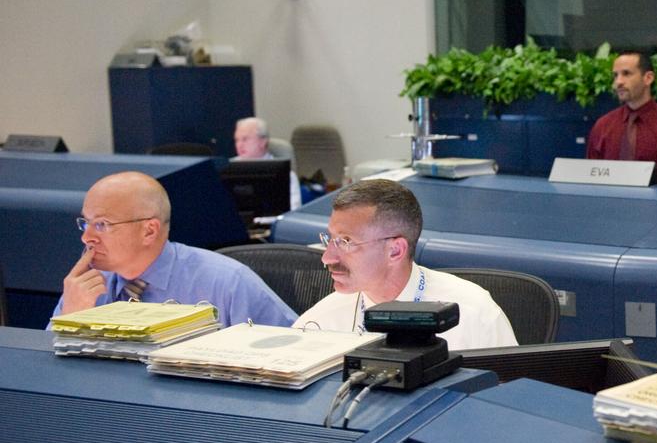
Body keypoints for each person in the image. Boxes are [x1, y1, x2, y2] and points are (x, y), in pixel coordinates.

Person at [294, 179, 518, 350]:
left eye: (345, 242)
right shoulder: (320, 323)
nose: (327, 258)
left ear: (395, 251)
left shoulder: (474, 314)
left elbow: (510, 401)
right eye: (330, 239)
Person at [52, 171, 296, 326]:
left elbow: (298, 349)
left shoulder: (226, 283)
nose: (87, 237)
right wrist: (70, 319)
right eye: (86, 222)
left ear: (149, 230)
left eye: (102, 224)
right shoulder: (86, 286)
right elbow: (51, 375)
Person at [587, 51, 657, 187]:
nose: (618, 82)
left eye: (626, 74)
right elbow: (590, 183)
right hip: (609, 206)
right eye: (615, 75)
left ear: (648, 78)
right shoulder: (603, 126)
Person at [233, 116, 302, 210]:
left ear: (263, 142)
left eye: (245, 139)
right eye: (237, 140)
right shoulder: (226, 169)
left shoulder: (286, 175)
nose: (239, 145)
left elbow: (293, 213)